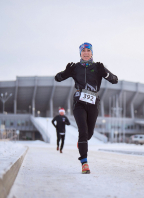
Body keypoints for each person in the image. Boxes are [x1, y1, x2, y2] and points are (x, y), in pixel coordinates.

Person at [54, 42, 118, 174]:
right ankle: (84, 163)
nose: (86, 53)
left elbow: (115, 80)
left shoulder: (98, 67)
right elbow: (57, 78)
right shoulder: (75, 68)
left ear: (92, 53)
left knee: (89, 134)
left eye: (88, 50)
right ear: (80, 53)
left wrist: (104, 73)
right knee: (82, 131)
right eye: (83, 51)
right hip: (79, 103)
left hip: (93, 103)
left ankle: (82, 142)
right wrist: (66, 72)